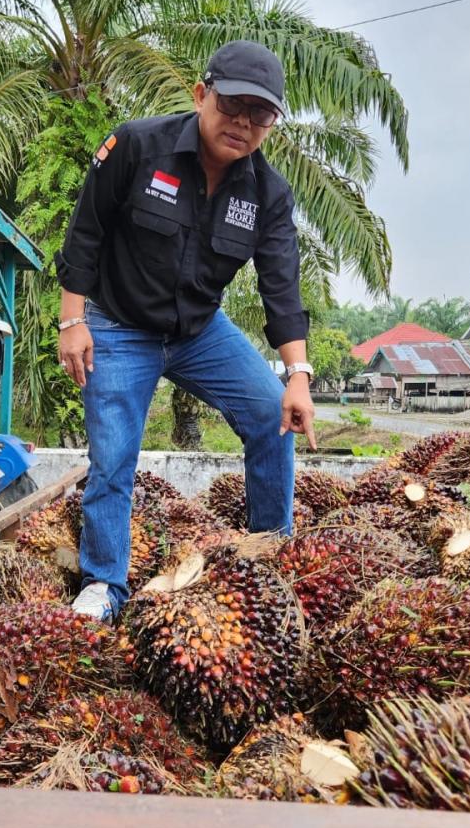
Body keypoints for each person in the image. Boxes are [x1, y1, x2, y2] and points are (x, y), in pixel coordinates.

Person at [56, 40, 316, 622]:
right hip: (120, 326)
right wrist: (73, 320)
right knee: (114, 456)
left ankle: (269, 555)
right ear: (202, 95)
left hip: (200, 331)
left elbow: (282, 287)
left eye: (261, 115)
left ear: (272, 122)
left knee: (273, 416)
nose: (243, 125)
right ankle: (104, 586)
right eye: (232, 107)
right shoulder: (135, 145)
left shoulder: (269, 194)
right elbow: (85, 233)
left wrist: (298, 376)